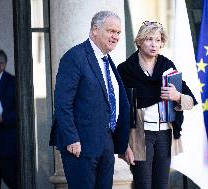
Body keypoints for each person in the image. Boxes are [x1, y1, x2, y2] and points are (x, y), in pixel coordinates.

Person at [51, 11, 130, 189]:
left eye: (118, 33)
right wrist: (71, 138)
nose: (115, 36)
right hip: (80, 145)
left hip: (106, 145)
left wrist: (121, 143)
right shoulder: (75, 57)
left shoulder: (107, 60)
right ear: (95, 29)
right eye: (111, 31)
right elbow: (63, 103)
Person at [117, 21, 197, 189]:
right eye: (148, 39)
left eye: (158, 39)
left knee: (161, 184)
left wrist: (177, 96)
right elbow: (119, 110)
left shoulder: (167, 67)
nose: (154, 44)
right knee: (143, 184)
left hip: (164, 134)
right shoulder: (126, 70)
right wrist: (123, 144)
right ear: (139, 41)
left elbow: (190, 101)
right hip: (139, 135)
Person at [0, 49, 17, 189]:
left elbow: (21, 111)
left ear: (4, 65)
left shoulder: (13, 82)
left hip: (7, 144)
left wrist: (3, 119)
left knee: (13, 181)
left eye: (0, 63)